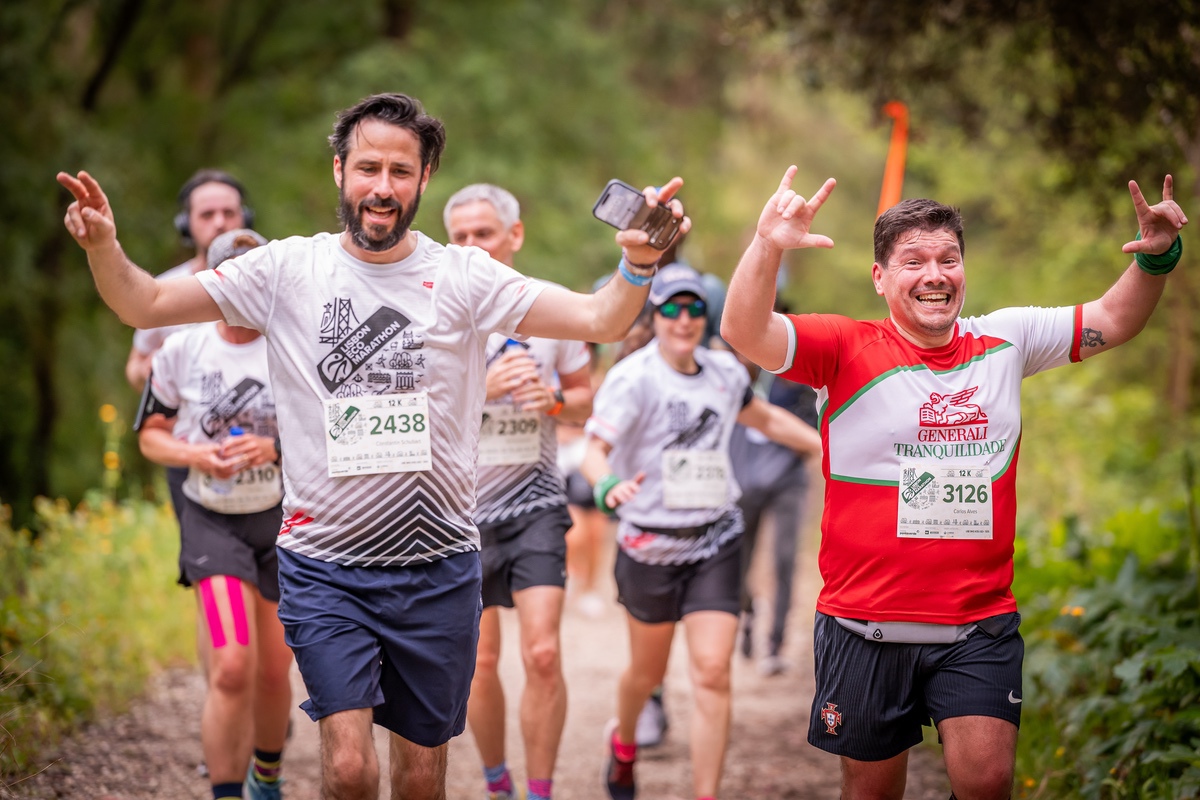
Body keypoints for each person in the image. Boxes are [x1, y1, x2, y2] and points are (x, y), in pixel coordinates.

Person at [58, 91, 688, 800]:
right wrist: (104, 248)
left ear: (424, 179)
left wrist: (638, 264)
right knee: (351, 769)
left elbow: (600, 320)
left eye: (400, 171)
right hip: (324, 564)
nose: (382, 187)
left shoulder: (465, 276)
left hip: (438, 564)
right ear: (339, 171)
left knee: (418, 777)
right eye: (367, 168)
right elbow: (144, 304)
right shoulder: (285, 271)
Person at [720, 166, 1187, 800]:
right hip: (864, 624)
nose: (935, 275)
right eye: (913, 262)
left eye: (948, 259)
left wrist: (1155, 259)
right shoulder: (844, 346)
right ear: (880, 277)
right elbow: (744, 331)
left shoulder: (1007, 339)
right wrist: (767, 245)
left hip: (978, 625)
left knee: (987, 782)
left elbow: (1113, 318)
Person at [581, 263, 821, 800]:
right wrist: (608, 485)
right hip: (651, 546)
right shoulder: (634, 378)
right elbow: (595, 451)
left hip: (716, 541)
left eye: (693, 308)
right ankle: (623, 744)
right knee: (646, 674)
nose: (683, 319)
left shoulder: (724, 372)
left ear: (705, 316)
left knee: (713, 671)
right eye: (671, 308)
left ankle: (706, 793)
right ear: (655, 315)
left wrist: (826, 448)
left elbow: (765, 419)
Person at [442, 183, 594, 800]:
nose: (472, 245)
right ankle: (496, 780)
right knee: (479, 661)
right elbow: (412, 414)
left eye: (484, 233)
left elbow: (585, 402)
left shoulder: (551, 310)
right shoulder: (437, 320)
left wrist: (554, 400)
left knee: (542, 653)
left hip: (536, 506)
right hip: (461, 513)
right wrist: (484, 388)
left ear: (515, 235)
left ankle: (540, 790)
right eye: (460, 237)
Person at [135, 228, 292, 800]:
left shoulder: (292, 346)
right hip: (213, 519)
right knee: (230, 666)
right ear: (215, 283)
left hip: (280, 522)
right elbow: (151, 435)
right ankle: (226, 792)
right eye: (235, 283)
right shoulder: (182, 349)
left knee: (274, 671)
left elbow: (332, 431)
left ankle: (266, 777)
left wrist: (275, 449)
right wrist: (195, 455)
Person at [728, 329, 818, 676]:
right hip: (742, 485)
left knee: (784, 559)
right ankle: (748, 612)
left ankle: (775, 644)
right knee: (737, 561)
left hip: (786, 483)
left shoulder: (797, 380)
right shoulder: (732, 378)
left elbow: (811, 429)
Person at [126, 170, 254, 391]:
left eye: (229, 213)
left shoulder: (265, 281)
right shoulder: (162, 290)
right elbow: (134, 367)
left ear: (245, 219)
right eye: (207, 215)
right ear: (186, 224)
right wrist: (147, 371)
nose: (219, 222)